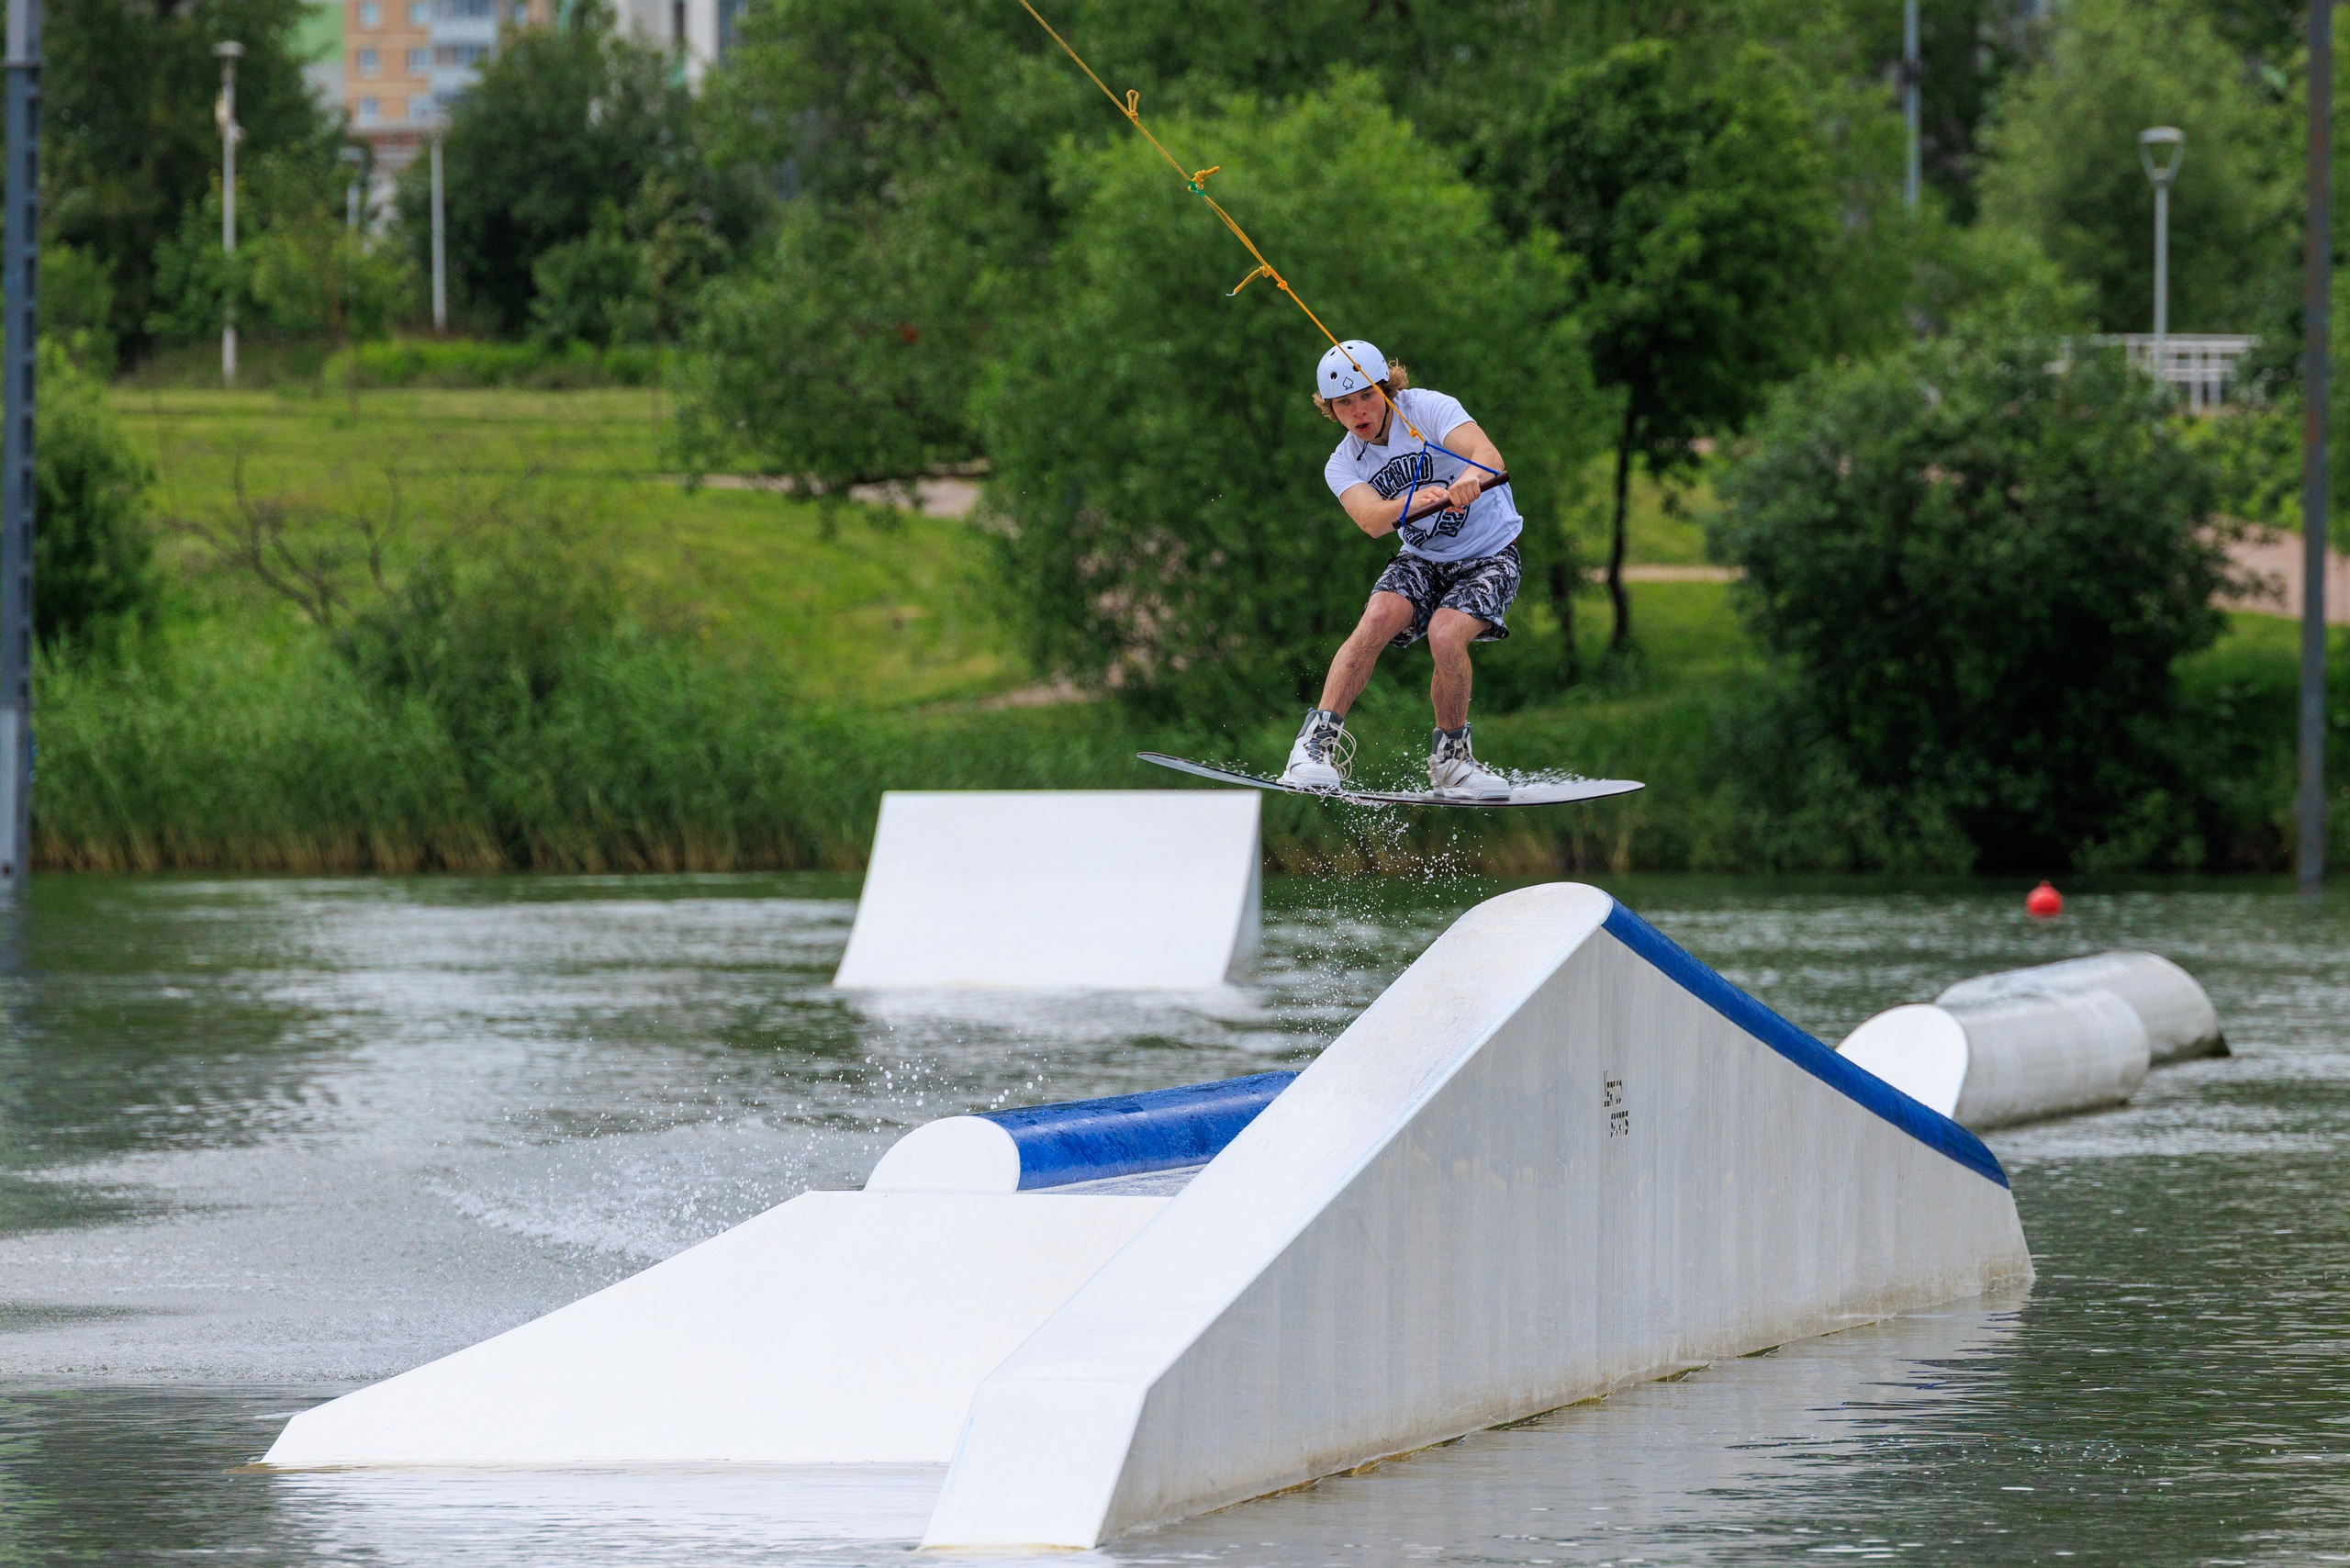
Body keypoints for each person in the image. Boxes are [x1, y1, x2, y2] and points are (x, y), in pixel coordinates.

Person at [1281, 340, 1519, 800]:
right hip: (1423, 559)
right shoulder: (1342, 463)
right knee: (1376, 618)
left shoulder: (1428, 408)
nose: (1358, 411)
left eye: (1366, 395)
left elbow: (1488, 455)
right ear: (1331, 410)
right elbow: (1371, 520)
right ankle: (1312, 749)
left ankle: (1453, 762)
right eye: (1344, 403)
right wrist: (1412, 502)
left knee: (1445, 635)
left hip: (1490, 554)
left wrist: (1470, 478)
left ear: (1386, 389)